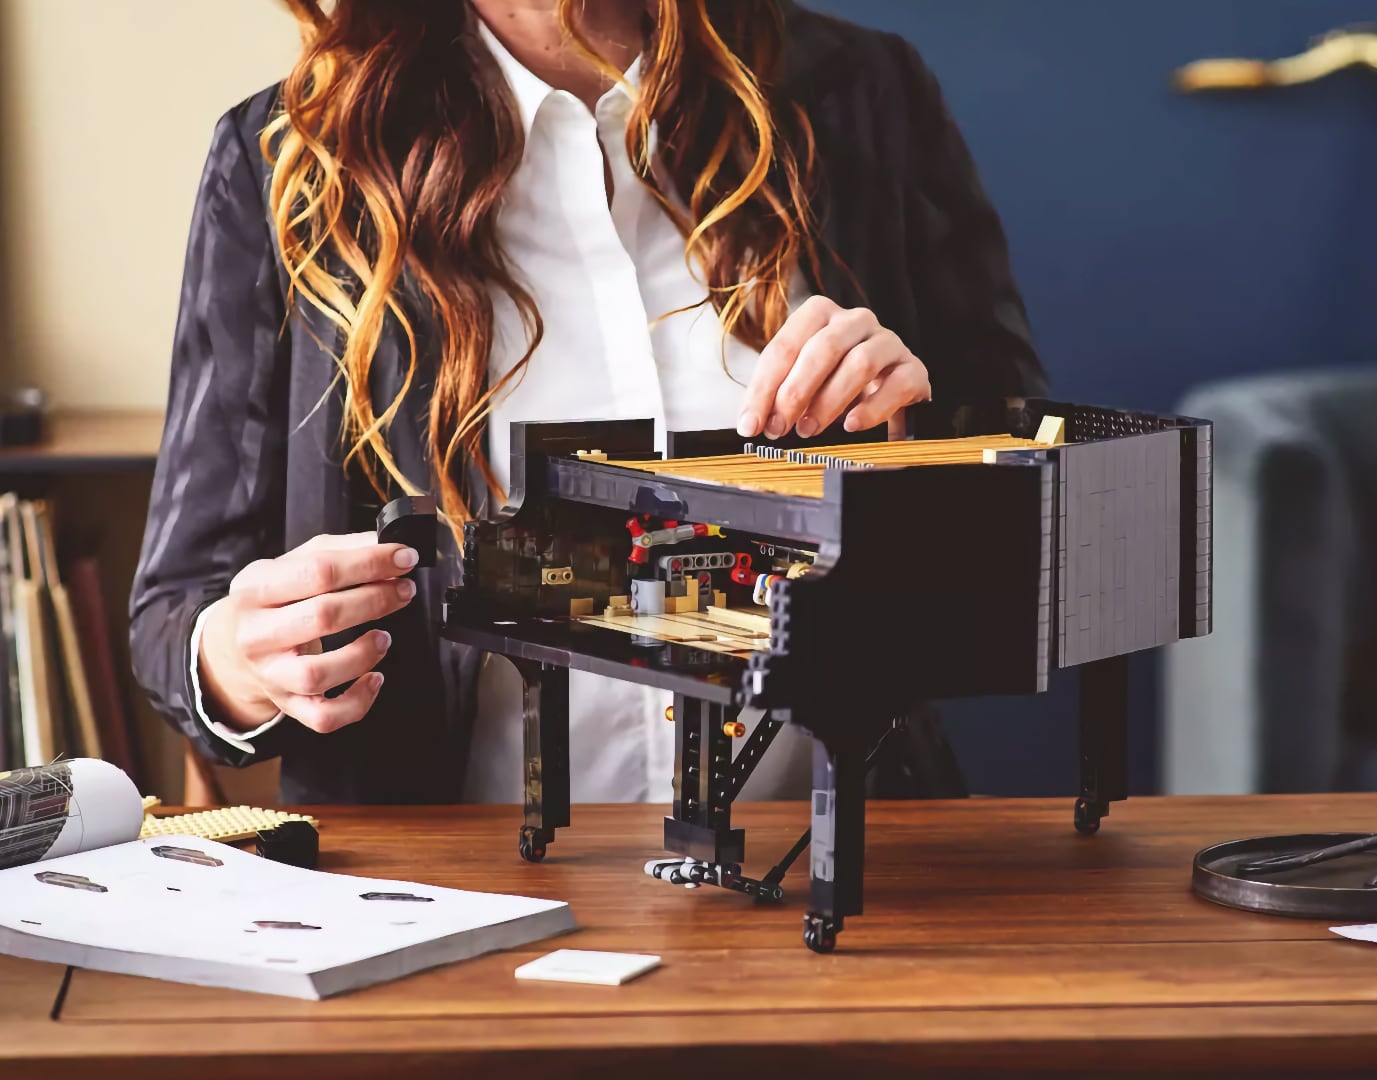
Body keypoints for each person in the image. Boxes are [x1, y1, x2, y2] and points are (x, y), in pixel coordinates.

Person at [130, 0, 1044, 806]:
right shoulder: (286, 159)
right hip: (451, 904)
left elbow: (1033, 501)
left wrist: (911, 446)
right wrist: (243, 661)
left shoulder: (863, 93)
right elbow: (177, 615)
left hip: (854, 879)